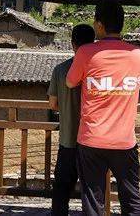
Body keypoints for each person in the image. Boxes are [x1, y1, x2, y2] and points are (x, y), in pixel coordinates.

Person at [66, 2, 140, 216]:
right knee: (131, 199)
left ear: (99, 25)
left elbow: (71, 82)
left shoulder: (85, 52)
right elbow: (139, 83)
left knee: (93, 200)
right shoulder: (137, 54)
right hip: (124, 140)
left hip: (92, 138)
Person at [47, 23, 95, 216]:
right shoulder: (97, 69)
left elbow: (52, 104)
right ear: (93, 43)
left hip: (68, 140)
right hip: (92, 140)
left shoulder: (60, 70)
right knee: (91, 190)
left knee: (61, 189)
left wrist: (67, 109)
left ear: (73, 44)